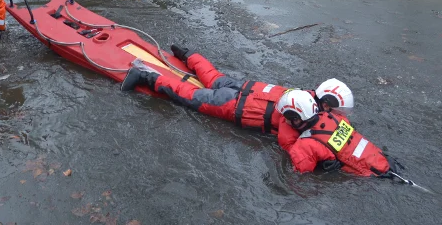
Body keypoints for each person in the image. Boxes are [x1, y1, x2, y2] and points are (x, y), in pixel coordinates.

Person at [120, 46, 354, 150]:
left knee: (213, 77)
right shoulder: (300, 116)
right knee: (187, 95)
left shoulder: (304, 96)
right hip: (232, 105)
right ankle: (146, 76)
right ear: (326, 105)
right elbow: (289, 144)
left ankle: (190, 55)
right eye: (339, 112)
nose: (341, 117)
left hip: (245, 88)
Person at [276, 93, 391, 177]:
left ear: (296, 119)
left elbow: (300, 176)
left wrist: (321, 168)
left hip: (370, 177)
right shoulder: (335, 117)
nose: (284, 121)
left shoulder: (303, 146)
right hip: (384, 160)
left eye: (286, 118)